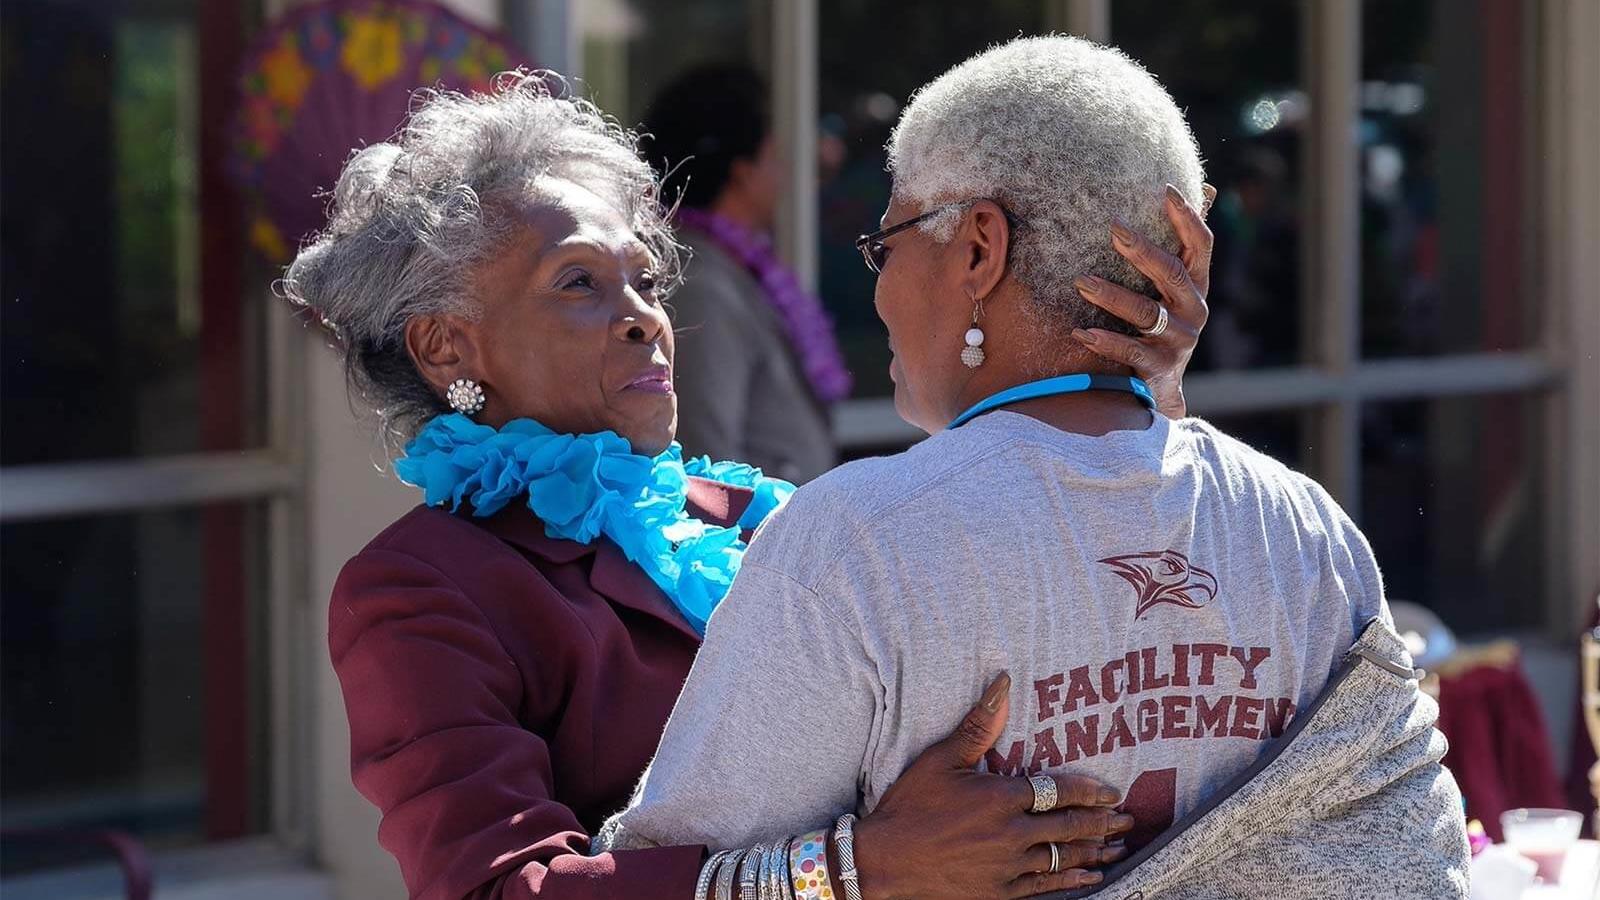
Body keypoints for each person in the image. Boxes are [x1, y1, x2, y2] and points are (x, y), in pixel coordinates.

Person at [288, 70, 1212, 900]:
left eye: (645, 279)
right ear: (447, 345)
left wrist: (1135, 401)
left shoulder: (759, 512)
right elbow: (497, 892)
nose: (644, 318)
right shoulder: (420, 588)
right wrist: (855, 874)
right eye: (579, 283)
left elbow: (1027, 588)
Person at [602, 36, 1470, 899]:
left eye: (889, 240)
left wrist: (852, 871)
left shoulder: (853, 546)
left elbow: (658, 886)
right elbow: (1412, 862)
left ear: (979, 248)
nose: (880, 285)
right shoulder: (1305, 531)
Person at [640, 64, 847, 482]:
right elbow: (704, 459)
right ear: (743, 172)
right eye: (776, 155)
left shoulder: (729, 264)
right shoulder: (700, 283)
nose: (785, 174)